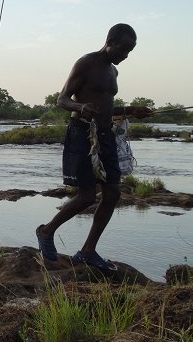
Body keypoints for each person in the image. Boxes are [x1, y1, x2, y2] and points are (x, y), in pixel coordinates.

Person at [35, 23, 152, 270]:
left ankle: (88, 251)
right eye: (123, 49)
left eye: (131, 51)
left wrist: (131, 111)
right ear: (109, 41)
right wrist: (80, 107)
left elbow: (106, 109)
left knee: (112, 193)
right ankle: (47, 231)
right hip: (83, 134)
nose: (126, 55)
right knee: (87, 196)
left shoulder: (113, 72)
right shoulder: (86, 63)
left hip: (105, 134)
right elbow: (62, 99)